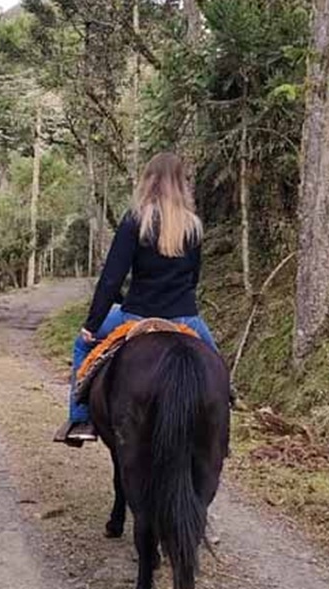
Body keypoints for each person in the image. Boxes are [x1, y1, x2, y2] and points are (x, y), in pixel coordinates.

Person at [55, 151, 219, 444]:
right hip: (185, 318)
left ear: (149, 181)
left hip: (137, 314)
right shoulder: (193, 225)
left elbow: (111, 279)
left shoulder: (135, 221)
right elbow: (194, 278)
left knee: (81, 346)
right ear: (181, 184)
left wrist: (92, 324)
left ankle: (81, 419)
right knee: (218, 370)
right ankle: (219, 427)